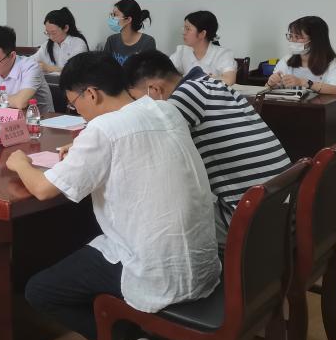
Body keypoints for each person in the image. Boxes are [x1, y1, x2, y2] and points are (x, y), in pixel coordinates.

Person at [5, 51, 220, 340]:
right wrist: (82, 147)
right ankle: (138, 339)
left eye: (74, 103)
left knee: (40, 291)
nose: (78, 112)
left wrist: (20, 164)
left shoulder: (103, 130)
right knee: (85, 240)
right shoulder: (162, 108)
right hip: (200, 255)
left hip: (155, 264)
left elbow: (42, 189)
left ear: (91, 94)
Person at [123, 50, 290, 247]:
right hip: (283, 209)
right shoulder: (209, 83)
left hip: (253, 223)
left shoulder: (183, 98)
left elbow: (147, 153)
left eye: (136, 100)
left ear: (154, 89)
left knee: (155, 223)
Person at [267, 16, 336, 95]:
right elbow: (266, 89)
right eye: (291, 36)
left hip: (319, 103)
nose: (292, 40)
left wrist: (304, 83)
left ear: (315, 40)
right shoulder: (286, 60)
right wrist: (270, 83)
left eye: (297, 37)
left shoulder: (332, 63)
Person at [169, 11, 237, 85]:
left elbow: (229, 80)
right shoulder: (182, 51)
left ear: (202, 34)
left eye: (188, 29)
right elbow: (165, 72)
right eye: (184, 28)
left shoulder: (223, 54)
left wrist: (204, 78)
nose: (184, 33)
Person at [33, 7, 89, 73]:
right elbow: (32, 60)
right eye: (47, 33)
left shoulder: (78, 44)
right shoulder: (48, 44)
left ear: (66, 28)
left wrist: (49, 68)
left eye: (53, 33)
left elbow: (75, 71)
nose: (51, 37)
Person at [104, 0, 155, 65]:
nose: (112, 18)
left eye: (115, 15)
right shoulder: (111, 40)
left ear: (128, 19)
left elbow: (149, 69)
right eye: (112, 14)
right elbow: (105, 67)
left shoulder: (148, 42)